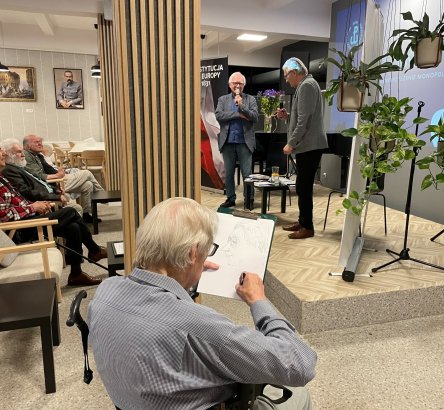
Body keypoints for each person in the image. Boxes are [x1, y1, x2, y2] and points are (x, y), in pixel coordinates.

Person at [88, 197, 317, 410]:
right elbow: (300, 364)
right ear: (192, 253)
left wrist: (185, 277)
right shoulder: (200, 326)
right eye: (207, 252)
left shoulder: (105, 292)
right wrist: (259, 301)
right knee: (299, 395)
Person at [0, 147, 106, 286]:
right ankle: (94, 250)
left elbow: (19, 200)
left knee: (73, 227)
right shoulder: (6, 172)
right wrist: (32, 207)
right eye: (0, 151)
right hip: (19, 228)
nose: (3, 153)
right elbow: (3, 215)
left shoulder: (2, 177)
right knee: (71, 212)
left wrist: (37, 205)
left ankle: (76, 274)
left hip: (29, 217)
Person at [276, 58, 328, 240]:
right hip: (308, 145)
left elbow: (304, 121)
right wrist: (287, 116)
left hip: (310, 146)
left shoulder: (306, 86)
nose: (286, 80)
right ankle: (303, 221)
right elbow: (303, 117)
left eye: (286, 75)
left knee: (304, 187)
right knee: (301, 186)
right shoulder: (307, 84)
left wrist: (291, 143)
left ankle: (307, 227)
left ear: (294, 72)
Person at [23, 134, 104, 223]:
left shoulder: (38, 155)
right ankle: (102, 195)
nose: (40, 144)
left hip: (57, 180)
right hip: (53, 184)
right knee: (86, 173)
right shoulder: (27, 156)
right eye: (36, 142)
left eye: (40, 141)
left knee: (88, 185)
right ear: (27, 146)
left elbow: (50, 169)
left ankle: (86, 214)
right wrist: (57, 176)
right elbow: (38, 175)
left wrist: (60, 172)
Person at [0, 139, 83, 216]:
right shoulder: (9, 170)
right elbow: (26, 193)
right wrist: (56, 197)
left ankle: (88, 215)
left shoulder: (20, 165)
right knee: (75, 209)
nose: (23, 155)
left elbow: (39, 180)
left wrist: (56, 190)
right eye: (19, 152)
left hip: (47, 197)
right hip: (44, 203)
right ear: (9, 155)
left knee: (87, 185)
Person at [215, 72, 258, 210]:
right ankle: (230, 198)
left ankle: (249, 199)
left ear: (244, 85)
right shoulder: (222, 100)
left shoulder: (250, 99)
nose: (237, 85)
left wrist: (242, 107)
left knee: (247, 174)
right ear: (230, 85)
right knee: (229, 174)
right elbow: (219, 115)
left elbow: (255, 117)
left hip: (245, 142)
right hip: (227, 142)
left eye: (240, 83)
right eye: (235, 83)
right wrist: (238, 114)